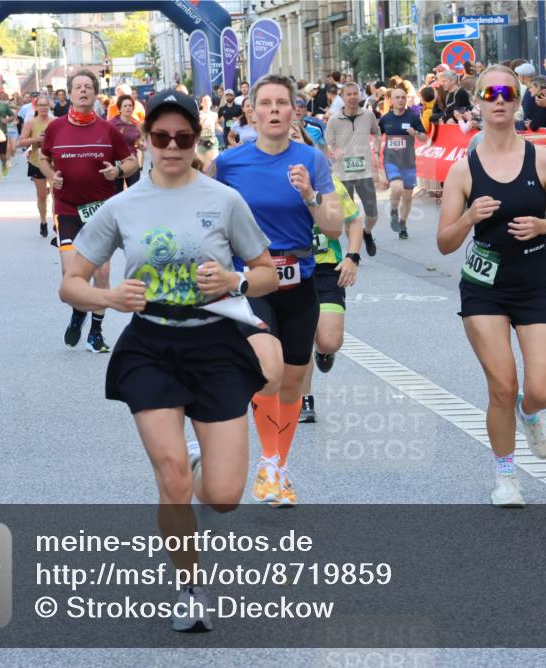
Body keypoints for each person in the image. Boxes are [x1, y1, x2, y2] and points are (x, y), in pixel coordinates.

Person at [61, 89, 277, 633]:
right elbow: (71, 284)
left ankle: (200, 476)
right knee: (172, 476)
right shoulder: (122, 206)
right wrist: (108, 299)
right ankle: (189, 586)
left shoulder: (224, 199)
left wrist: (237, 281)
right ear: (146, 140)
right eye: (162, 137)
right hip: (151, 346)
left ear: (195, 140)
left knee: (224, 498)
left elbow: (268, 271)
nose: (173, 146)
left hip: (215, 344)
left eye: (184, 137)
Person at [437, 65, 546, 506]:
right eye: (489, 93)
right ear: (477, 102)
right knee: (500, 385)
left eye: (507, 92)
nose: (499, 100)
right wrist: (468, 218)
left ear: (518, 101)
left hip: (535, 284)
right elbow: (444, 243)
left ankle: (530, 411)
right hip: (484, 289)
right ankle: (506, 475)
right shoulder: (463, 170)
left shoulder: (542, 159)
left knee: (541, 389)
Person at [214, 74, 341, 507]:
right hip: (251, 280)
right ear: (250, 111)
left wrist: (308, 193)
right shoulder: (229, 163)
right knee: (266, 369)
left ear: (293, 111)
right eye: (264, 103)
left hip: (299, 278)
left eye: (281, 103)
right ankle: (269, 460)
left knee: (290, 384)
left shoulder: (312, 159)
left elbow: (333, 226)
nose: (273, 110)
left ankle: (277, 469)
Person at [39, 69, 139, 352]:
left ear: (95, 94)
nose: (83, 91)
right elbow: (42, 157)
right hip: (67, 208)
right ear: (70, 94)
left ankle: (95, 331)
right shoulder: (56, 128)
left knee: (103, 273)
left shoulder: (108, 130)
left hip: (101, 210)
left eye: (88, 87)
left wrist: (117, 170)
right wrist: (50, 176)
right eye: (78, 87)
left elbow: (132, 163)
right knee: (71, 275)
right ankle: (78, 311)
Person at [289, 125, 363, 423]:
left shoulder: (328, 181)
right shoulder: (270, 184)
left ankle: (325, 352)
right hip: (290, 267)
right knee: (300, 336)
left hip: (325, 268)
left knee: (329, 340)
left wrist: (352, 257)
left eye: (295, 137)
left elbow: (353, 221)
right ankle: (305, 398)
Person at [325, 82, 383, 256]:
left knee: (372, 214)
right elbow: (328, 144)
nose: (352, 97)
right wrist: (334, 151)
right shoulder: (334, 119)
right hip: (343, 173)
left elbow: (378, 133)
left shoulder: (368, 115)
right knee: (349, 216)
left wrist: (377, 152)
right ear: (343, 97)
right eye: (348, 94)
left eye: (355, 94)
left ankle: (366, 233)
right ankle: (353, 251)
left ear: (359, 95)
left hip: (364, 171)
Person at [378, 86, 428, 240]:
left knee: (407, 197)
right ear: (391, 101)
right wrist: (376, 158)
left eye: (403, 97)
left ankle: (403, 224)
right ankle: (394, 210)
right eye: (397, 97)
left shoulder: (412, 117)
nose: (401, 100)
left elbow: (424, 138)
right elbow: (378, 137)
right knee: (397, 187)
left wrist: (416, 133)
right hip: (391, 160)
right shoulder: (385, 119)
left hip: (408, 162)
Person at [19, 94, 53, 236]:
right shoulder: (30, 123)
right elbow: (20, 142)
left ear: (49, 106)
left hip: (53, 163)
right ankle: (43, 221)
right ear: (36, 107)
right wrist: (36, 139)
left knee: (57, 195)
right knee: (42, 196)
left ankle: (57, 224)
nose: (43, 107)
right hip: (36, 162)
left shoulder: (55, 122)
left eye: (45, 105)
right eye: (41, 105)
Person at [110, 94, 143, 192]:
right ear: (119, 108)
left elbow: (139, 144)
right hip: (117, 162)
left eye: (130, 105)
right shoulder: (112, 124)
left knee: (134, 191)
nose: (128, 108)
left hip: (132, 161)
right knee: (117, 192)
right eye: (125, 106)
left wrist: (139, 164)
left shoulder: (136, 125)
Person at [197, 95, 220, 171]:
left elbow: (216, 125)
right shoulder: (198, 114)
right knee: (202, 165)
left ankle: (214, 179)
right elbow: (195, 127)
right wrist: (201, 121)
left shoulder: (215, 114)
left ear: (211, 103)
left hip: (212, 139)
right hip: (201, 140)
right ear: (201, 103)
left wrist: (223, 129)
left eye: (208, 100)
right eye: (204, 100)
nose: (207, 102)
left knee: (214, 162)